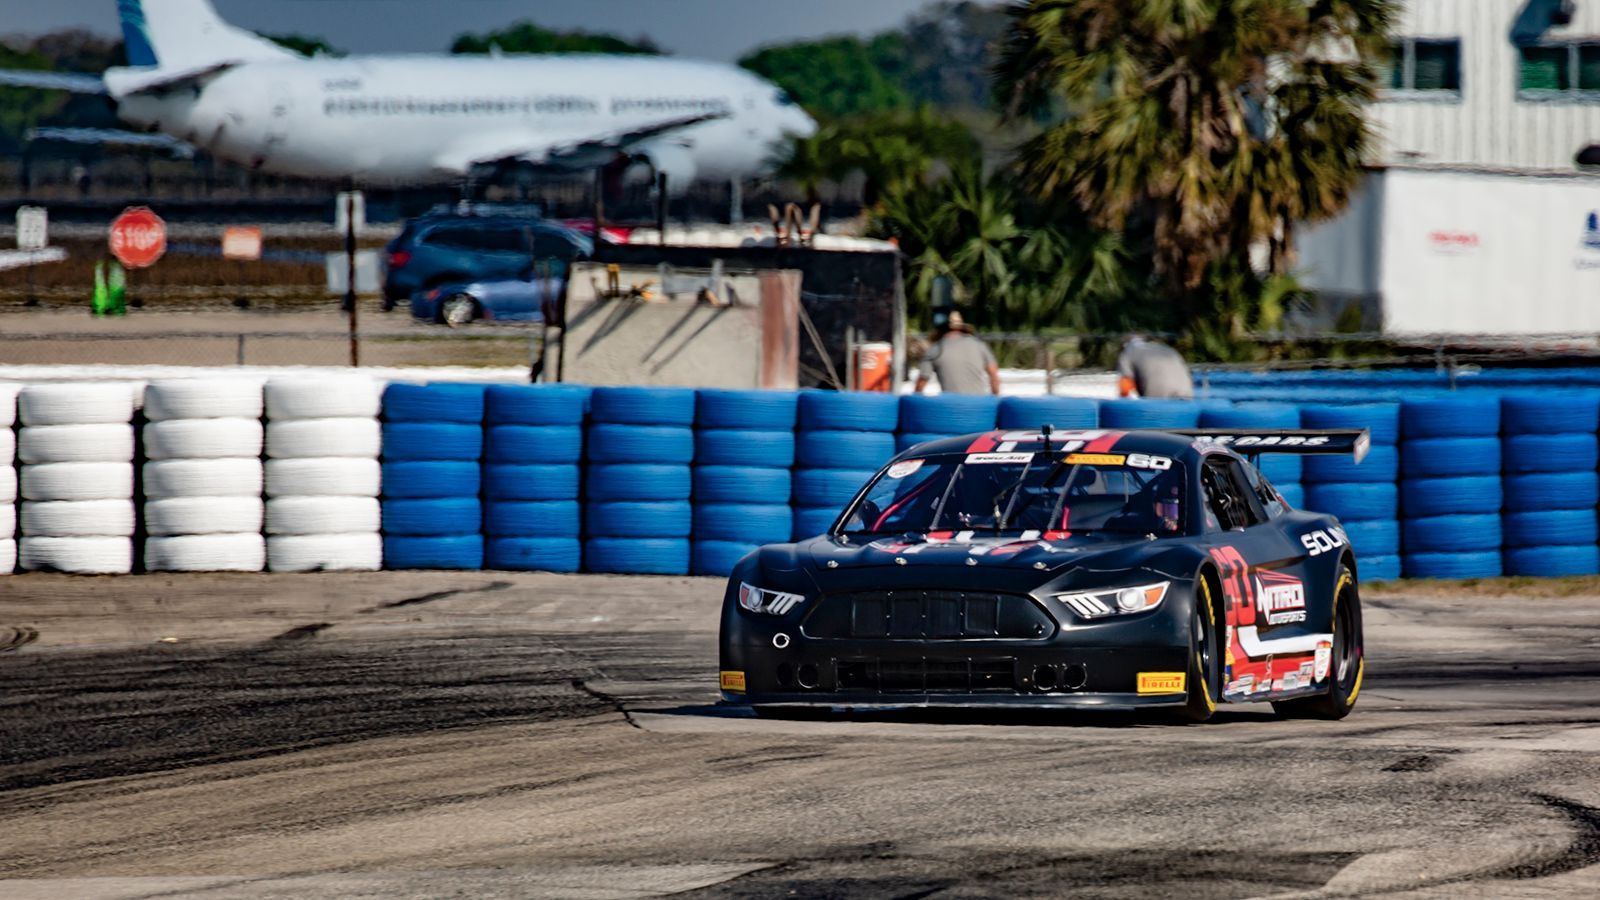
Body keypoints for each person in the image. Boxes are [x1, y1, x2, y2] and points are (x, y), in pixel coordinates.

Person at [914, 311, 1001, 395]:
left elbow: (921, 382)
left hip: (951, 407)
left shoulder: (935, 349)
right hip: (978, 405)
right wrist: (993, 399)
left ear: (941, 331)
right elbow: (994, 376)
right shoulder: (979, 345)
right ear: (963, 329)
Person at [1116, 334, 1193, 399]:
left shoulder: (1128, 352)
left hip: (1157, 403)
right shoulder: (1166, 348)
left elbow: (1125, 389)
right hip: (1187, 398)